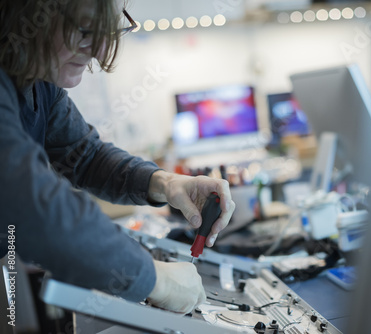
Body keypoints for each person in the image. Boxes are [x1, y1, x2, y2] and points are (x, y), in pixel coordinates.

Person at [0, 0, 235, 314]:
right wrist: (154, 279)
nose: (98, 50)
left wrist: (166, 183)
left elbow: (87, 157)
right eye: (85, 30)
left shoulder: (37, 81)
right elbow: (34, 207)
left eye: (107, 32)